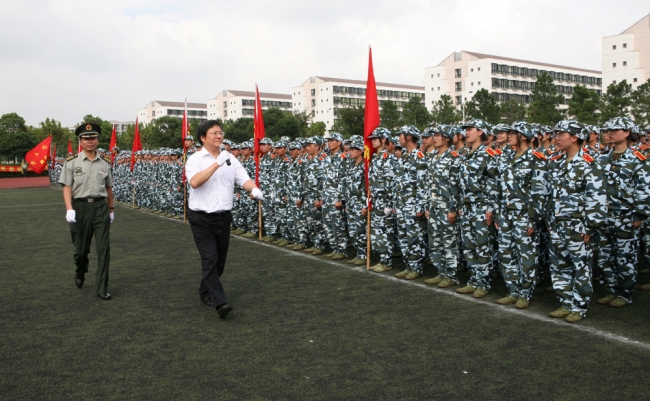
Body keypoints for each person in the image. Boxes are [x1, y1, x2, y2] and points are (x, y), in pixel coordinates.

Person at [185, 120, 264, 319]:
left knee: (219, 263)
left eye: (220, 132)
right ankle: (220, 302)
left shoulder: (231, 158)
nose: (219, 136)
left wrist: (253, 188)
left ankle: (205, 291)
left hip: (223, 217)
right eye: (214, 133)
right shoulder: (195, 159)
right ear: (203, 138)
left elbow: (242, 178)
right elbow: (195, 182)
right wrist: (217, 163)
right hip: (201, 218)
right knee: (210, 258)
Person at [59, 122, 115, 300]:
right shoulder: (72, 163)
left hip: (100, 207)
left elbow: (108, 189)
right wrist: (69, 208)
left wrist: (111, 209)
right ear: (80, 141)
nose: (90, 141)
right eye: (86, 138)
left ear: (98, 140)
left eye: (93, 138)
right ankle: (80, 269)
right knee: (81, 250)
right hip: (80, 207)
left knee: (103, 248)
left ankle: (102, 287)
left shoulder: (105, 163)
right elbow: (67, 187)